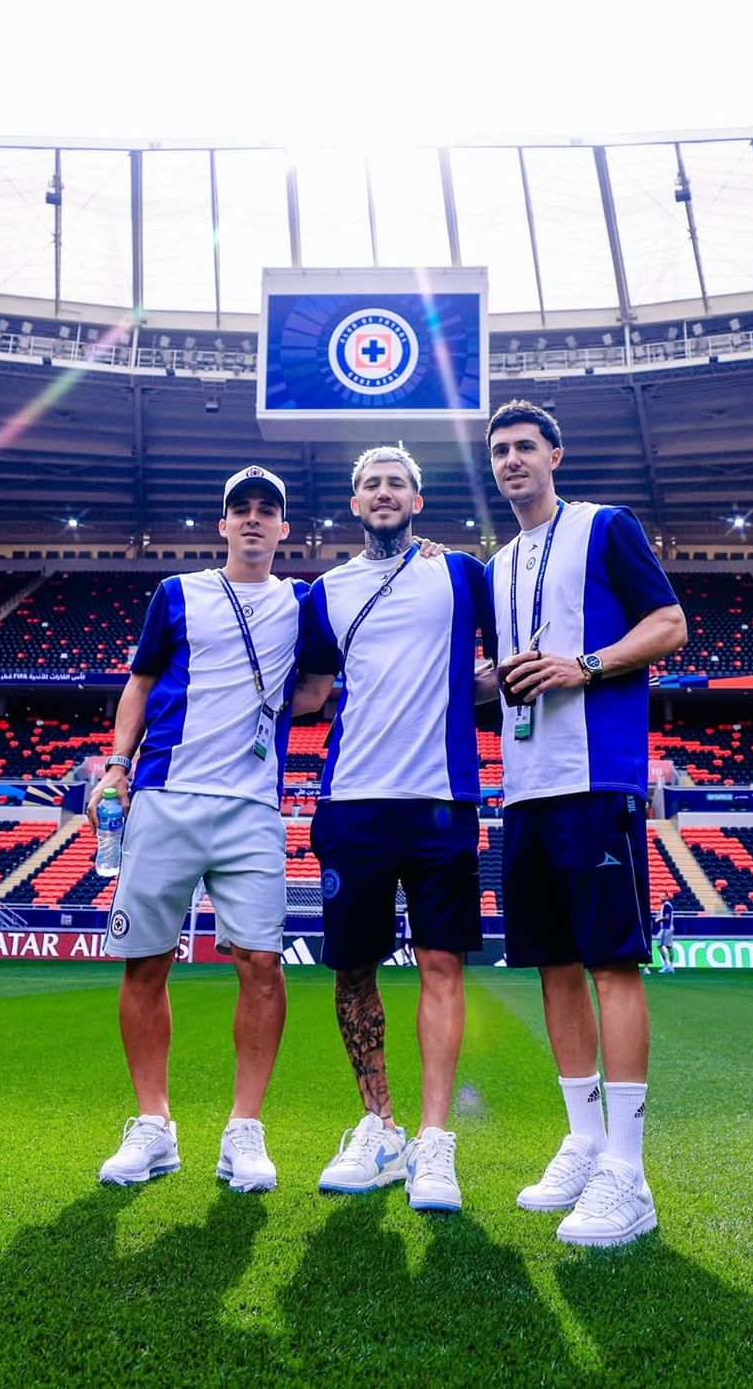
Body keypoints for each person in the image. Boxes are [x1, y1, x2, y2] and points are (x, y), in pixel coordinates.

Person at [89, 466, 328, 1193]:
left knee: (261, 965)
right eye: (240, 510)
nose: (254, 519)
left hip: (253, 806)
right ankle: (153, 1125)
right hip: (164, 794)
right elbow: (139, 681)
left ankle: (243, 1132)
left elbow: (315, 688)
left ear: (284, 528)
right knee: (146, 961)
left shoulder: (304, 603)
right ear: (221, 524)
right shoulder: (176, 594)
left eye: (267, 511)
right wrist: (117, 764)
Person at [485, 399, 687, 1247]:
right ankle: (584, 1140)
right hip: (523, 788)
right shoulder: (496, 563)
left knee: (609, 966)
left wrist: (587, 665)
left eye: (525, 447)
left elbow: (671, 623)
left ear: (555, 453)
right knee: (554, 967)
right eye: (499, 451)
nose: (511, 461)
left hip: (597, 779)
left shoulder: (606, 526)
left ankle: (628, 1175)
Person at [298, 445, 494, 1213]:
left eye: (397, 483)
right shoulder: (326, 593)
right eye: (371, 483)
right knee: (353, 970)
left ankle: (436, 1143)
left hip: (441, 798)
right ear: (354, 503)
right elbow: (311, 693)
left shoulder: (462, 575)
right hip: (351, 802)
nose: (384, 493)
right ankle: (380, 1128)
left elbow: (503, 666)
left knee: (442, 966)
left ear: (418, 500)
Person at [656, 898, 676, 972]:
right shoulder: (668, 905)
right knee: (669, 947)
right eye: (660, 896)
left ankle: (666, 965)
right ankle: (671, 966)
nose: (661, 898)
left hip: (666, 928)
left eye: (663, 896)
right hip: (670, 928)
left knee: (659, 945)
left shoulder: (666, 905)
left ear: (667, 897)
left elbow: (667, 917)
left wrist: (659, 919)